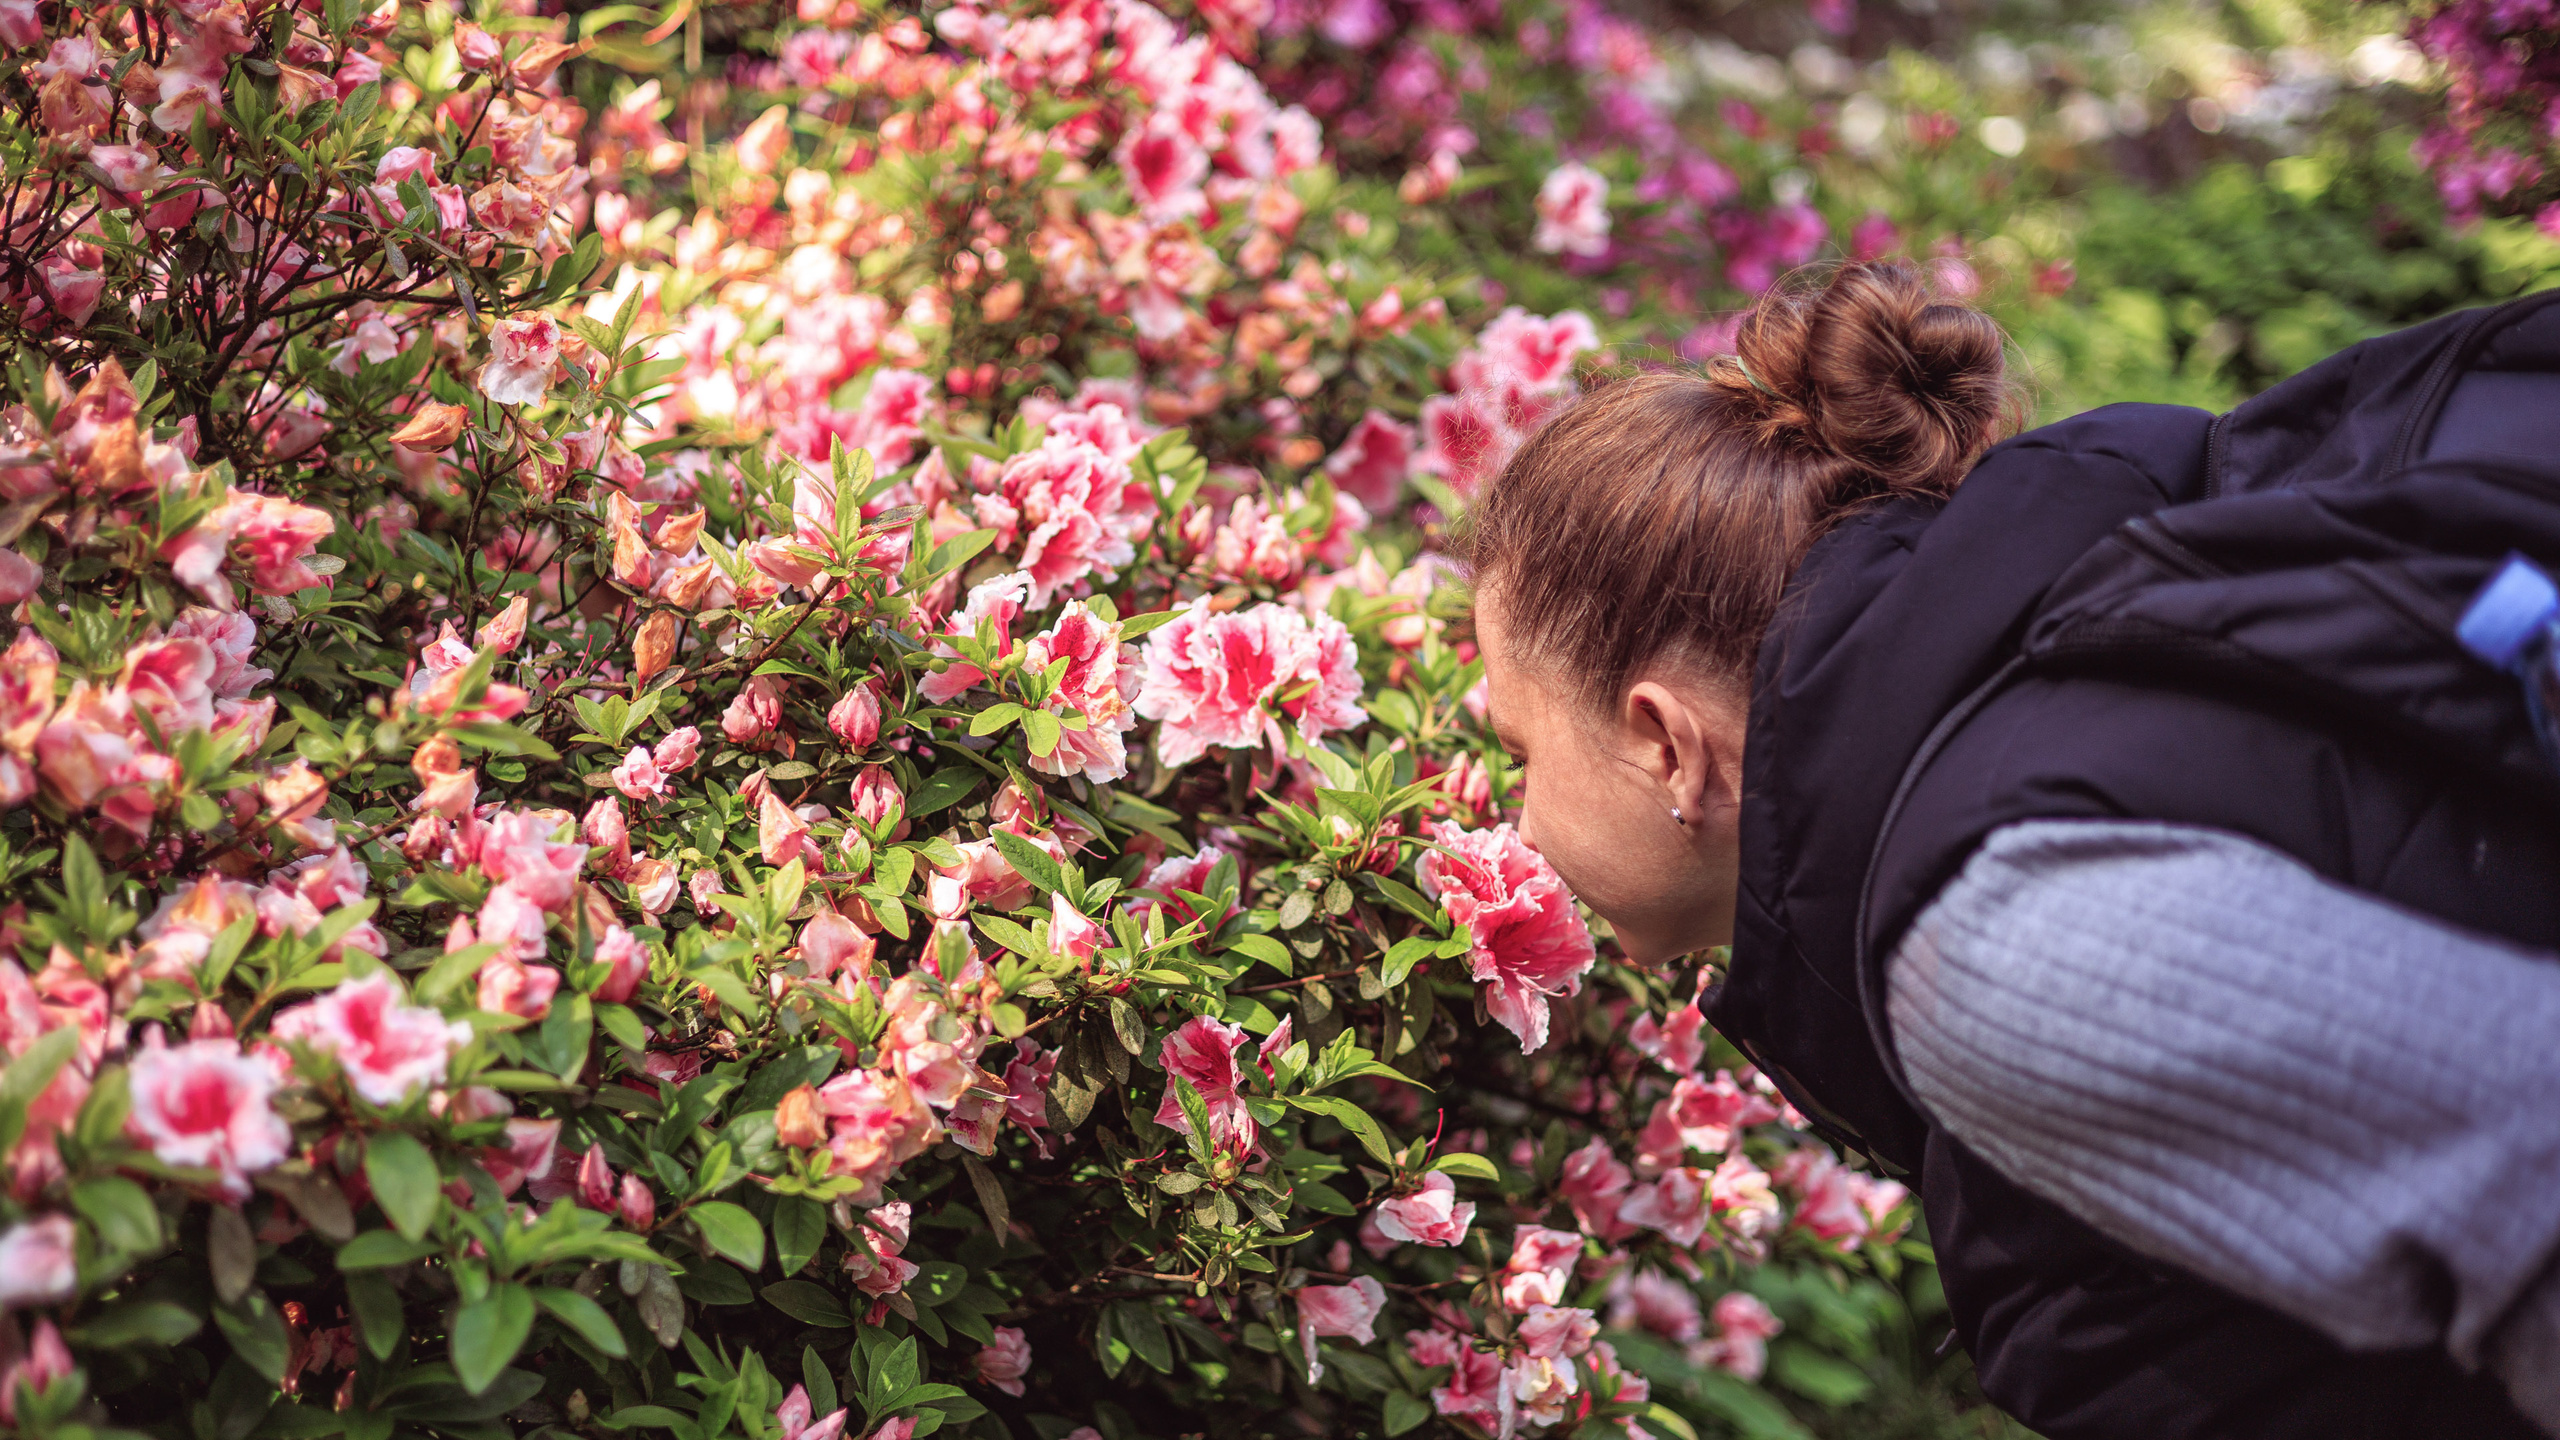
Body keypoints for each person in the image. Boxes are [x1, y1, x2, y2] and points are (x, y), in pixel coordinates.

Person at [1461, 259, 2560, 1439]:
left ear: (1666, 744)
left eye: (1521, 749)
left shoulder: (1996, 942)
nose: (1511, 823)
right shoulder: (1994, 721)